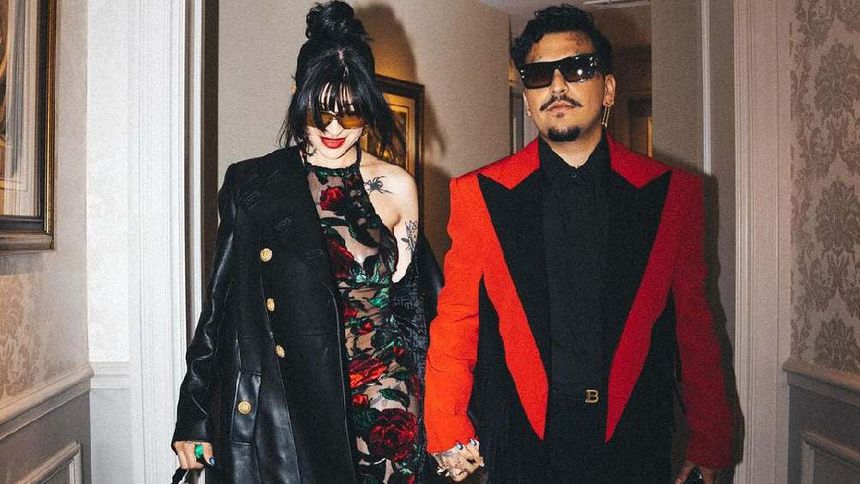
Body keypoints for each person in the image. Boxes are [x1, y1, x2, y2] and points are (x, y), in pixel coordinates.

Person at [424, 5, 733, 483]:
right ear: (528, 98)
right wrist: (445, 426)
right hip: (522, 444)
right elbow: (457, 321)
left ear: (607, 89)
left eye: (577, 68)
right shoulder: (479, 195)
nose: (557, 85)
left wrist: (710, 440)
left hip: (635, 441)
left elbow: (695, 326)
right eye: (539, 75)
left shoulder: (673, 195)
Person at [171, 2, 440, 482]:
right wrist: (194, 413)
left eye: (351, 112)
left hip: (390, 405)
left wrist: (448, 416)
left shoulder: (398, 185)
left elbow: (416, 309)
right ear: (298, 94)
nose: (334, 128)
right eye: (321, 109)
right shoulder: (254, 185)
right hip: (297, 406)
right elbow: (220, 306)